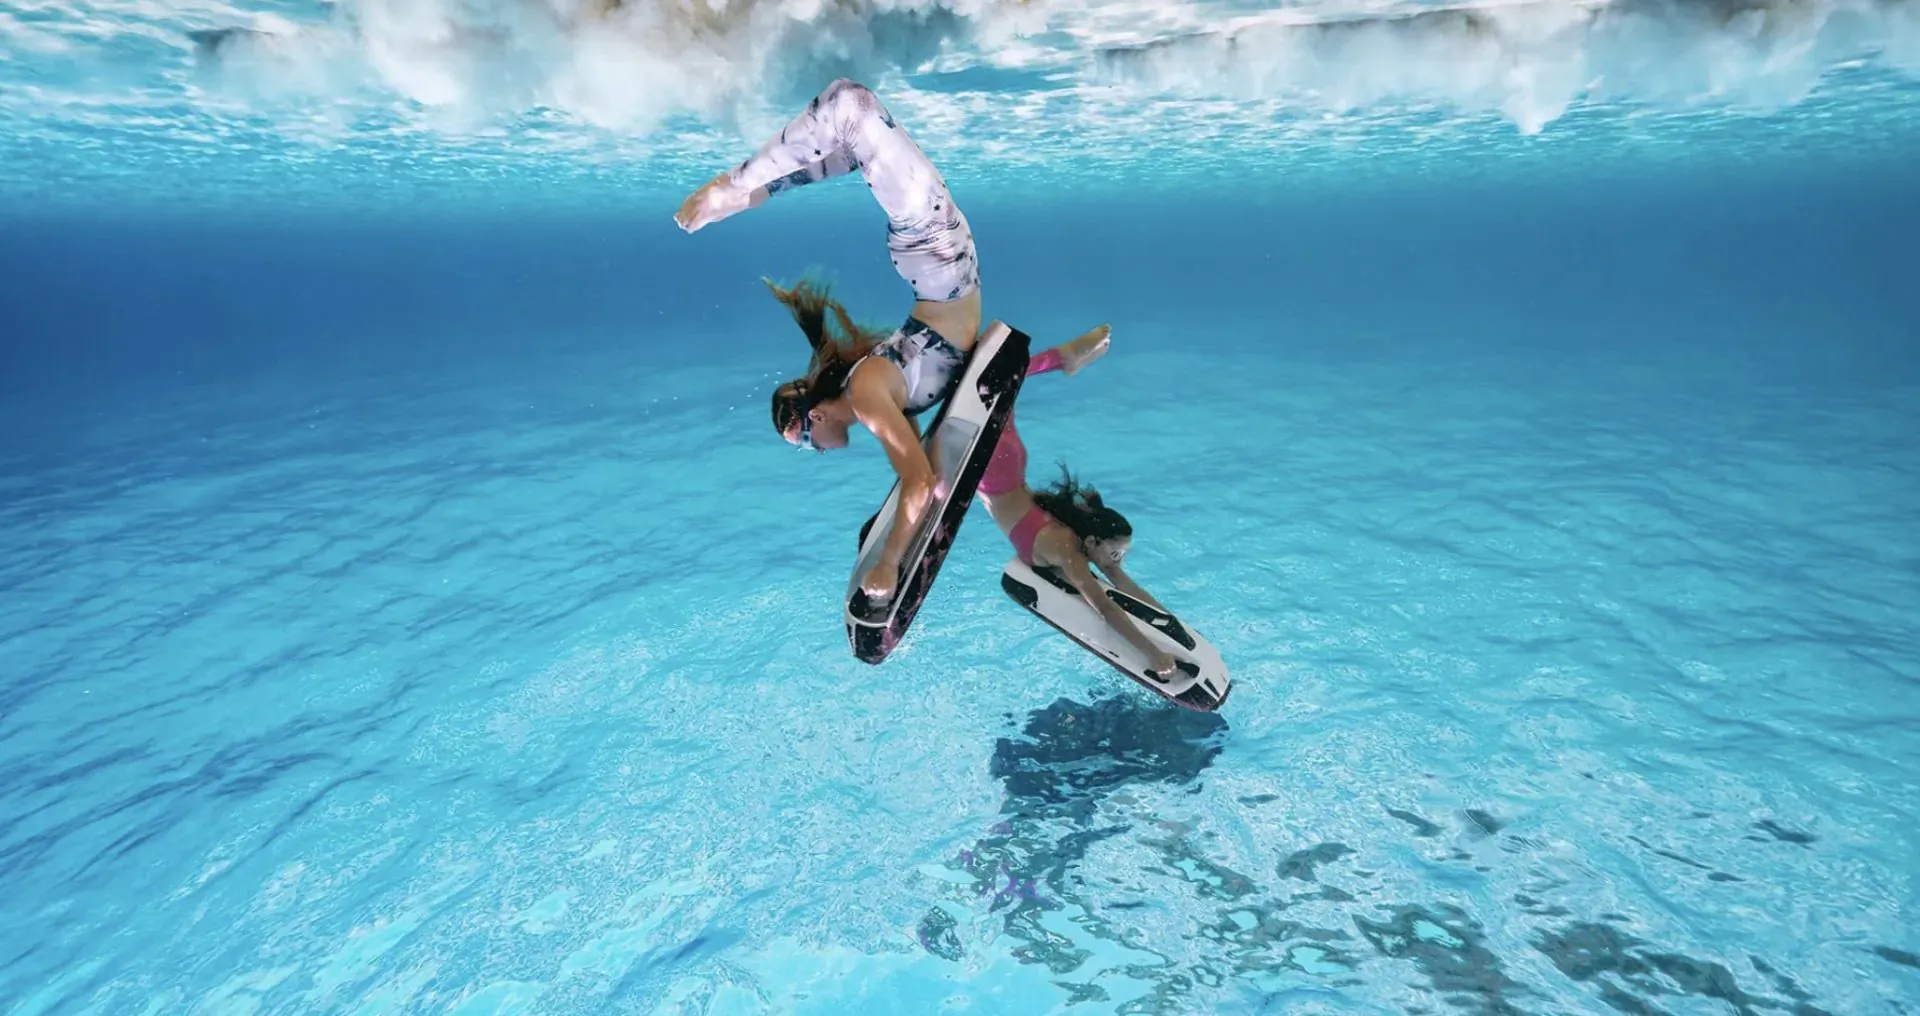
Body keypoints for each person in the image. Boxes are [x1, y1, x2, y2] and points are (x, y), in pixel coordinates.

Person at [674, 78, 981, 605]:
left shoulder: (865, 397)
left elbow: (921, 485)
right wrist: (884, 532)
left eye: (807, 444)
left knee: (847, 107)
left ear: (816, 418)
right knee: (855, 140)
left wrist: (888, 562)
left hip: (933, 249)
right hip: (933, 257)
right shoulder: (870, 400)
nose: (817, 451)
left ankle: (737, 188)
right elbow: (914, 471)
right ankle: (751, 192)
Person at [978, 327, 1185, 679]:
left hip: (1005, 468)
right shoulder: (1068, 550)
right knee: (992, 383)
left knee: (997, 386)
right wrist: (1152, 653)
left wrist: (1174, 629)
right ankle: (1064, 358)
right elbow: (1104, 609)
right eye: (1116, 553)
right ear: (1092, 543)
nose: (1119, 562)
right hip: (995, 472)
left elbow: (1122, 582)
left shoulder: (1081, 542)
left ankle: (1063, 358)